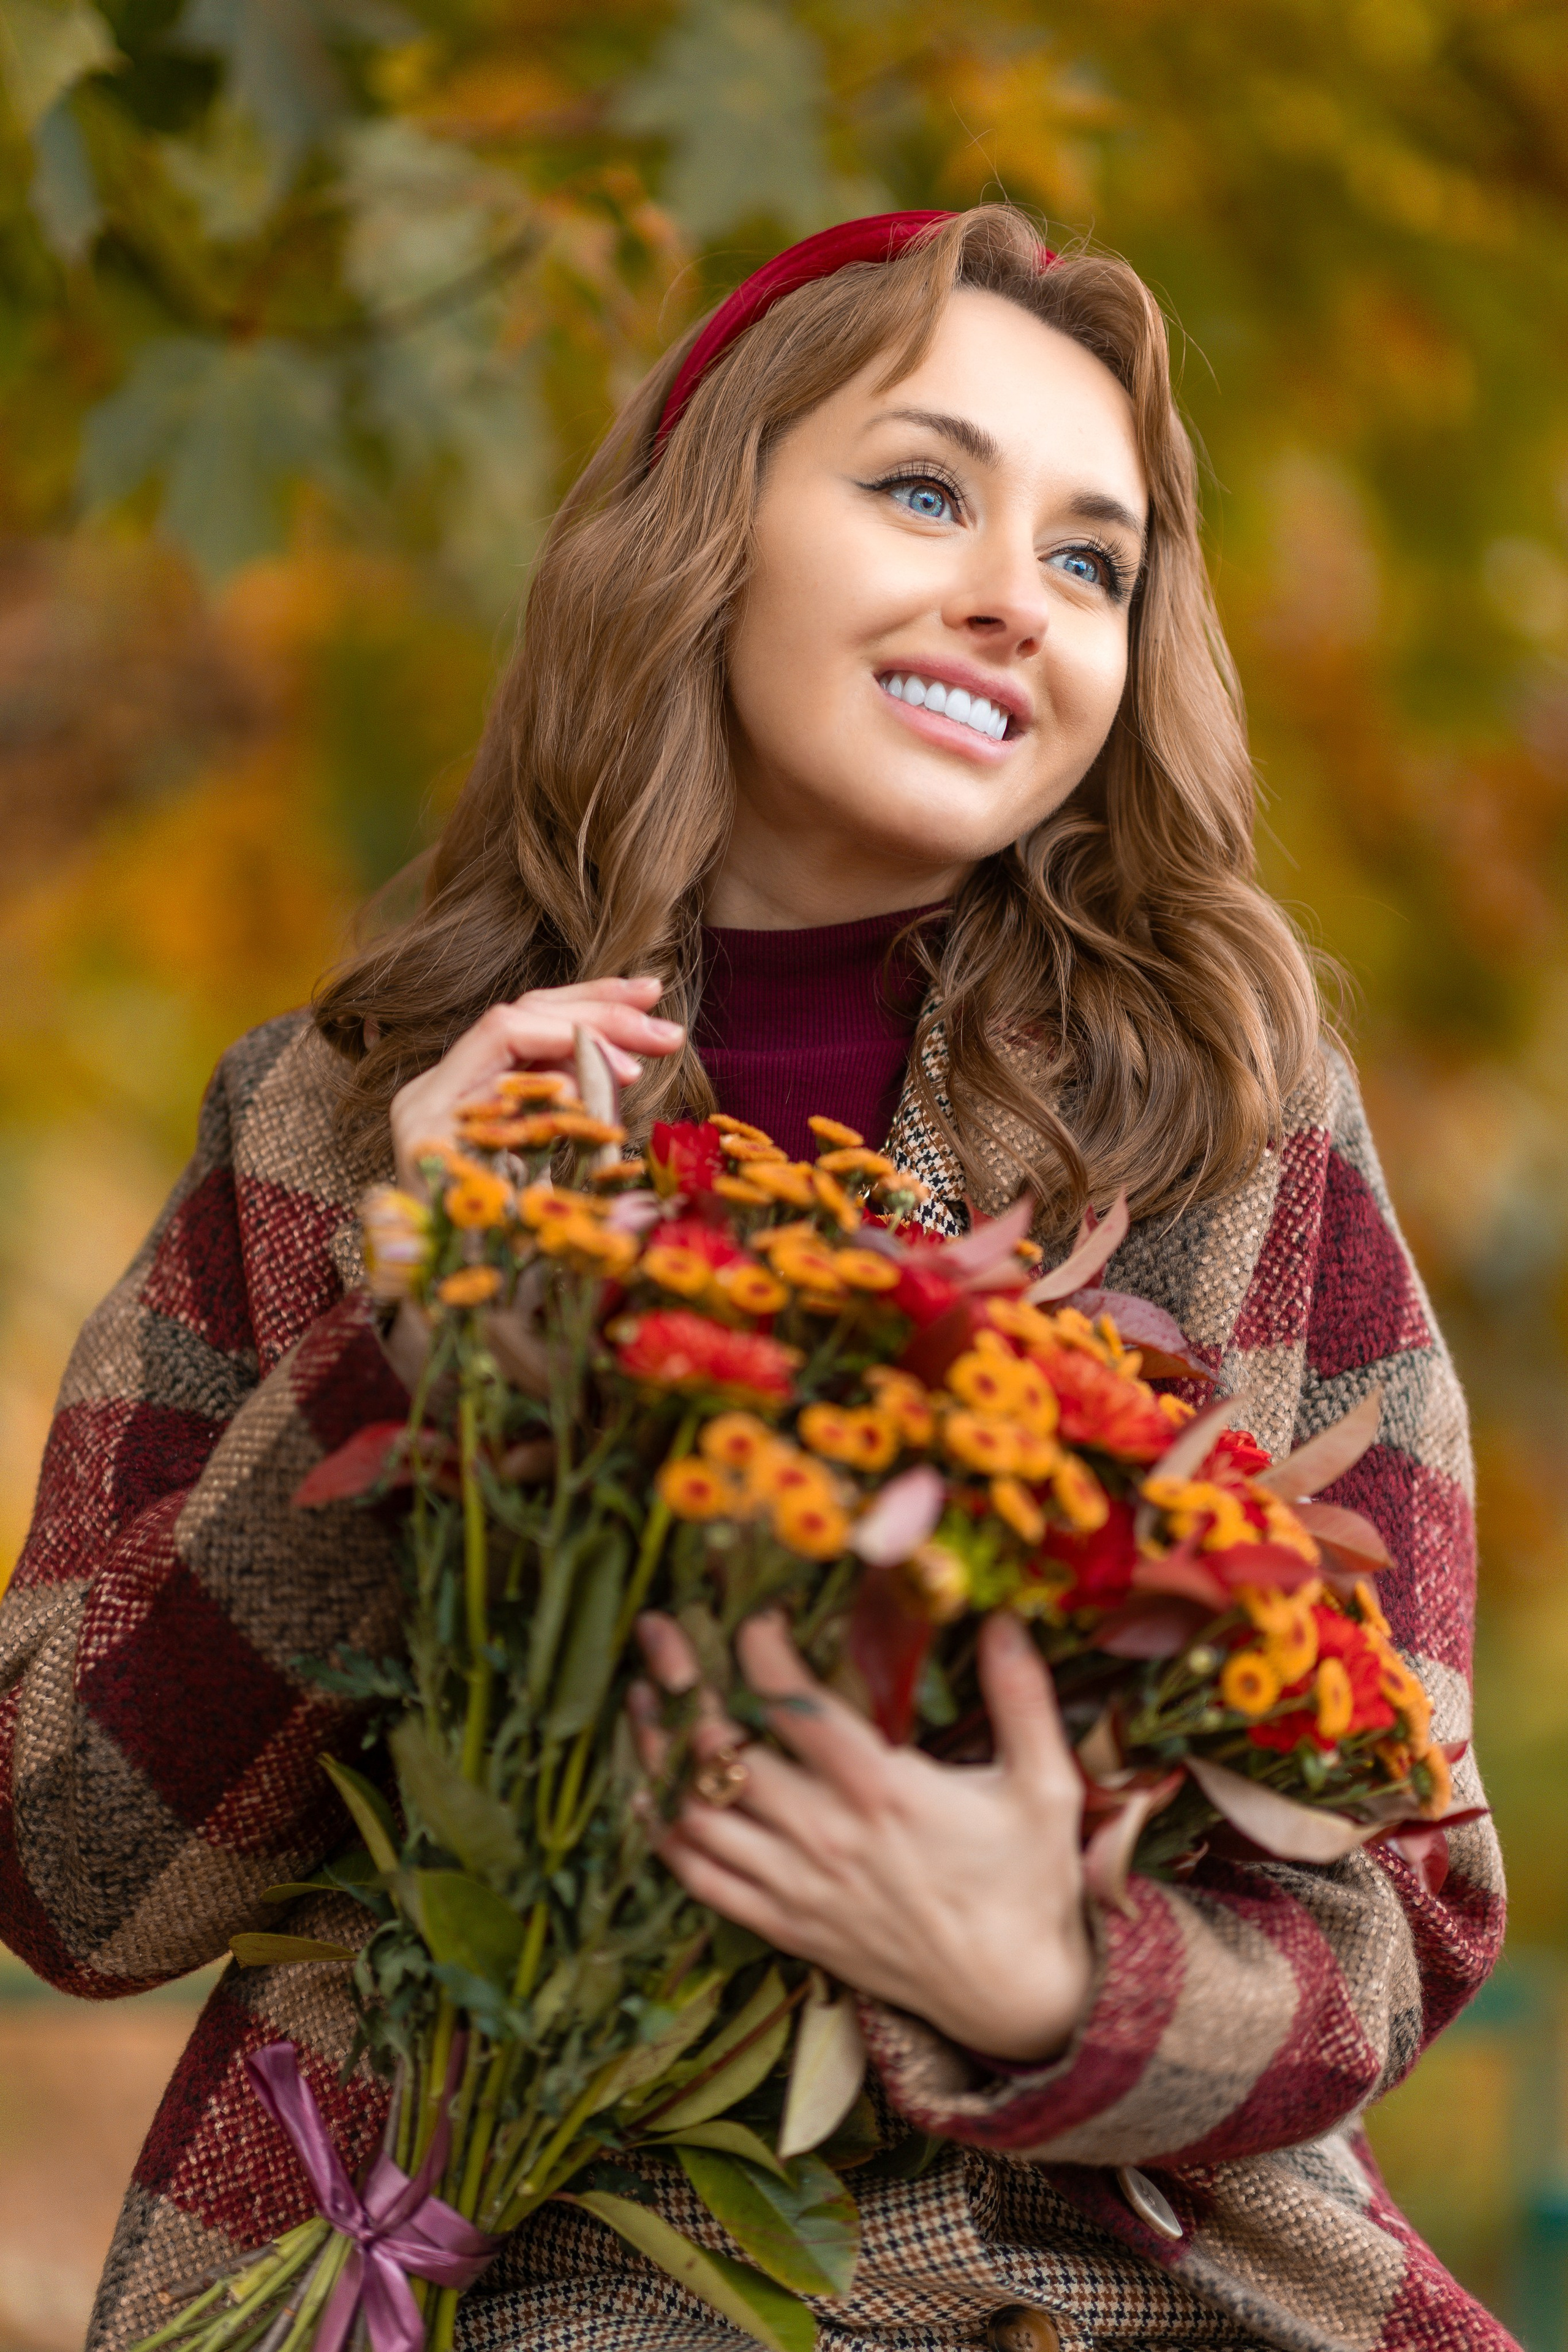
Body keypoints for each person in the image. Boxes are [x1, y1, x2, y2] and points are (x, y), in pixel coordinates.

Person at [0, 207, 1511, 2352]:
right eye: (924, 489)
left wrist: (1051, 1984)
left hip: (1107, 2284)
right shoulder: (336, 1126)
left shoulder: (1233, 1132)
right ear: (702, 532)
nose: (1016, 595)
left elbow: (1404, 1898)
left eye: (1093, 561)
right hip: (468, 2276)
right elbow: (69, 1869)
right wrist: (412, 1340)